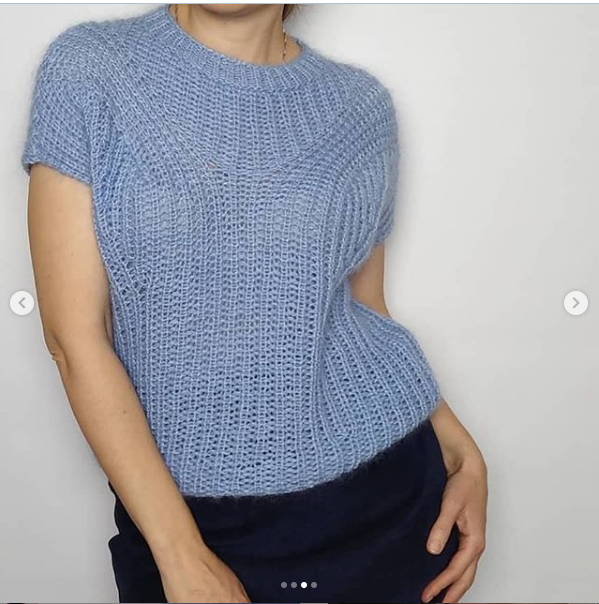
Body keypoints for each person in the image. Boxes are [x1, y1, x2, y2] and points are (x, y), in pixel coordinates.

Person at [21, 3, 488, 603]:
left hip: (387, 502)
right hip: (187, 522)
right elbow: (73, 339)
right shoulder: (91, 67)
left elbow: (363, 306)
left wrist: (457, 445)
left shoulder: (361, 108)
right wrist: (181, 554)